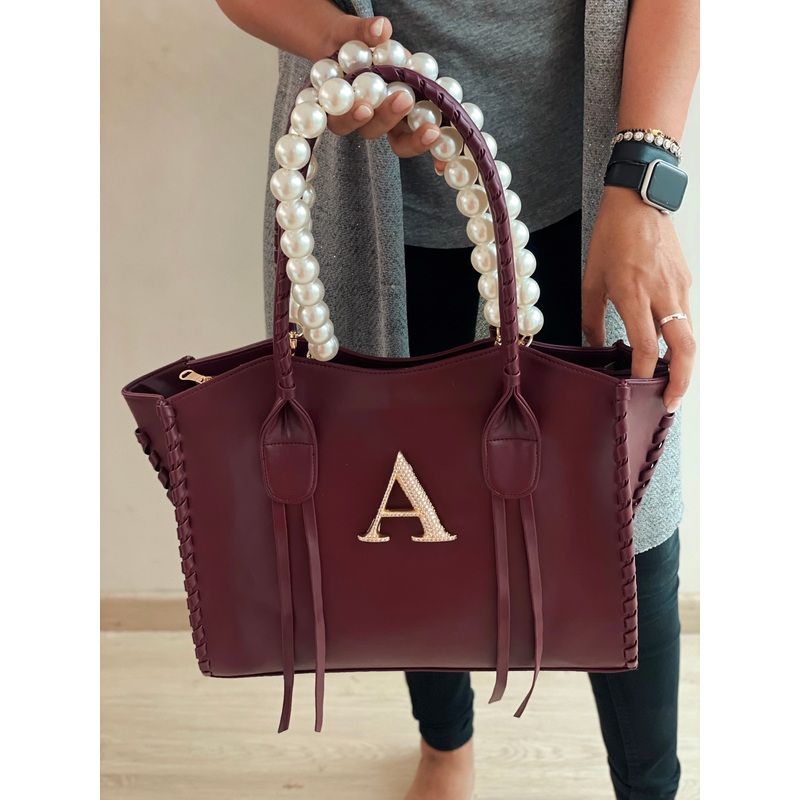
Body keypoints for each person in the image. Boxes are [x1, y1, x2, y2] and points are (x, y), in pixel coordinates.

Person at [215, 1, 699, 798]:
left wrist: (645, 182)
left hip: (595, 185)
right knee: (409, 509)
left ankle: (651, 789)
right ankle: (446, 741)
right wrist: (338, 44)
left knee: (631, 525)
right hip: (380, 195)